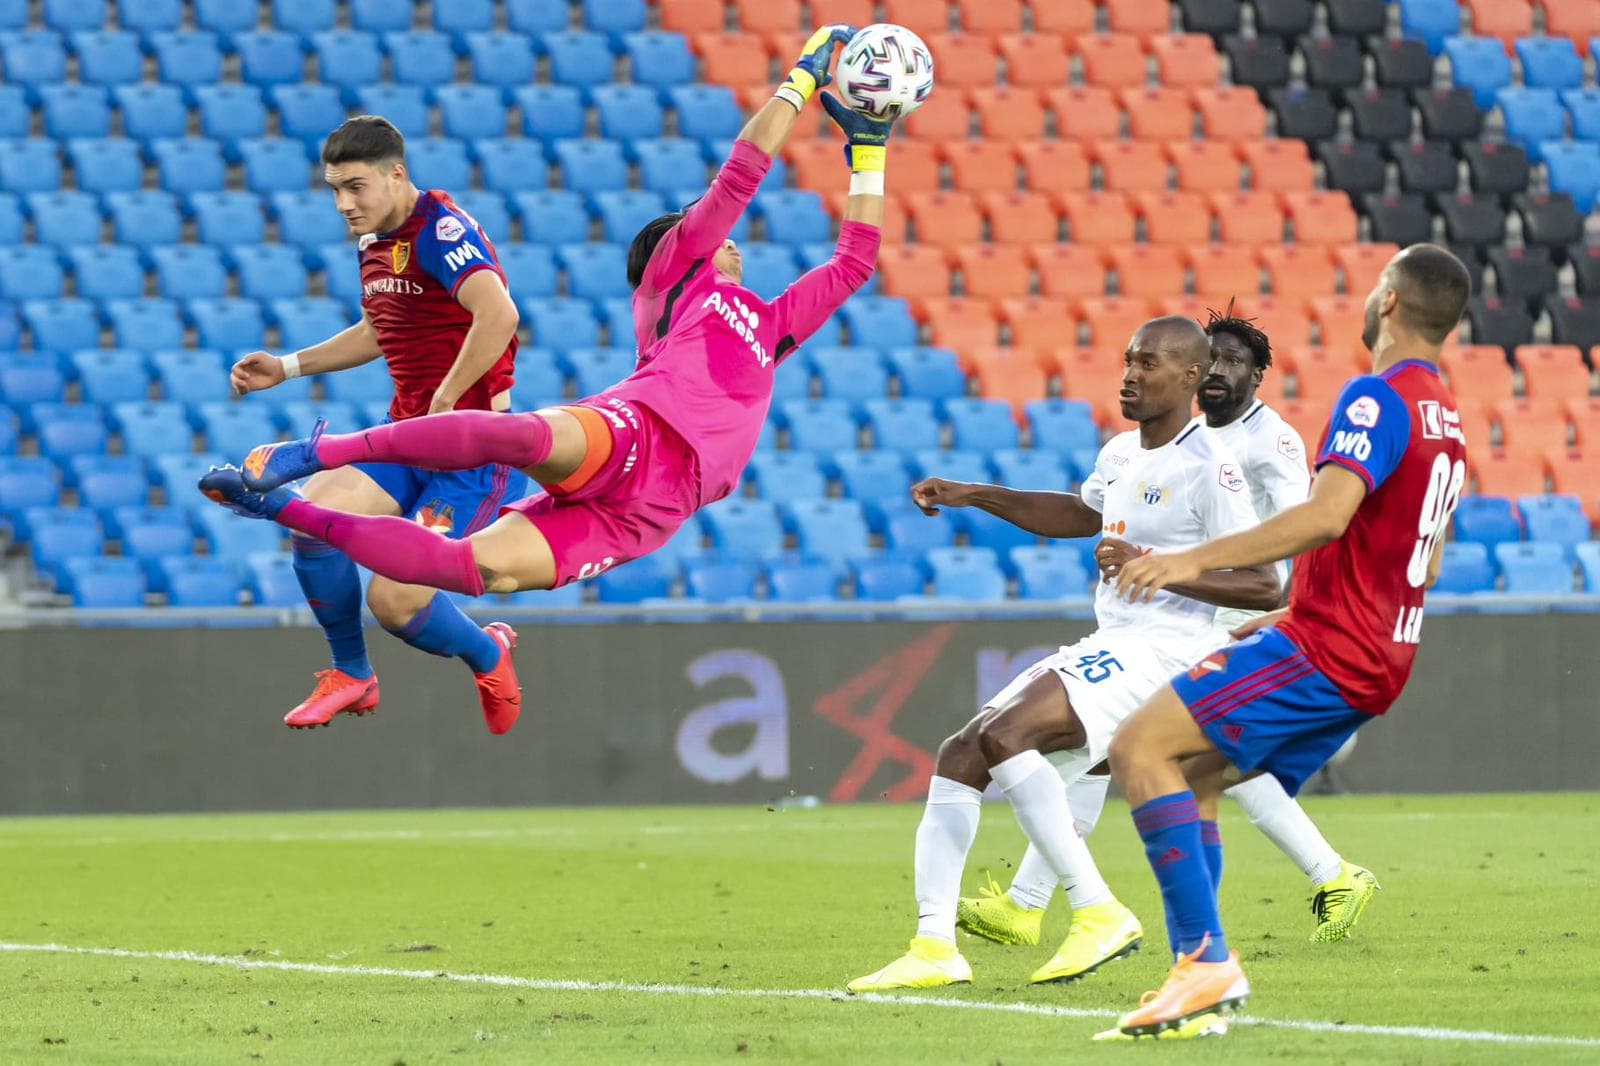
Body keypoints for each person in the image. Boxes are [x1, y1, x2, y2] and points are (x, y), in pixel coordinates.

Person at [202, 27, 883, 663]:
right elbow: (741, 175)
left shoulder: (767, 326)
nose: (722, 233)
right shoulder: (677, 272)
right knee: (521, 439)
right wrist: (801, 78)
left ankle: (283, 506)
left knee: (472, 571)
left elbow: (853, 265)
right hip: (639, 429)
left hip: (664, 505)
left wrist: (869, 149)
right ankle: (309, 456)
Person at [1100, 244, 1471, 1040]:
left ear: (1392, 304)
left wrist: (1187, 560)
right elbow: (1424, 557)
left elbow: (1326, 515)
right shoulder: (1448, 417)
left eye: (1379, 286)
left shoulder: (1378, 399)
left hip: (1332, 651)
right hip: (1375, 652)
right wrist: (1302, 610)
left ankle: (1204, 965)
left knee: (1138, 749)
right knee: (1194, 773)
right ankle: (1196, 979)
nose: (1372, 298)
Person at [847, 317, 1282, 994]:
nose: (1130, 376)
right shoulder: (1122, 455)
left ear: (1191, 378)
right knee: (962, 753)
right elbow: (1080, 514)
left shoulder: (1211, 468)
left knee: (1004, 734)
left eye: (1149, 365)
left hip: (1168, 653)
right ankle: (934, 946)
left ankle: (1097, 911)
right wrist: (975, 493)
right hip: (1116, 641)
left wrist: (1158, 565)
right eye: (1128, 361)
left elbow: (1262, 584)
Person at [958, 307, 1377, 957]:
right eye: (1213, 359)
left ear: (1258, 377)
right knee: (1143, 752)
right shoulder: (1176, 437)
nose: (1219, 371)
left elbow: (1306, 529)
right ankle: (1028, 905)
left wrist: (1287, 610)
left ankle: (1327, 877)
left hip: (1237, 608)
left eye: (1235, 362)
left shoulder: (1274, 443)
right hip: (1179, 603)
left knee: (1194, 757)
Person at [225, 114, 528, 733]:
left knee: (393, 600)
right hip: (405, 438)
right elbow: (378, 328)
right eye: (334, 189)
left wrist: (445, 402)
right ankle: (352, 675)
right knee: (314, 518)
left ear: (397, 175)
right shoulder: (374, 240)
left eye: (355, 187)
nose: (343, 204)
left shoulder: (443, 231)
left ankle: (487, 651)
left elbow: (497, 312)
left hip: (472, 457)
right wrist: (287, 366)